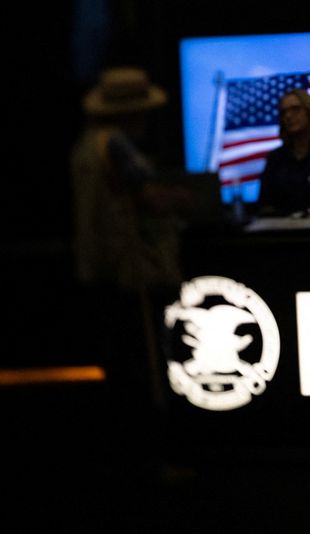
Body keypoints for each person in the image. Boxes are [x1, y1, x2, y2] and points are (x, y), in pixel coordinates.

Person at [71, 66, 189, 434]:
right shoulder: (116, 144)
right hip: (131, 269)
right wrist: (186, 199)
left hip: (100, 265)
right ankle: (152, 453)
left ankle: (126, 450)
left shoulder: (85, 146)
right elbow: (150, 198)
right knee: (144, 363)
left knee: (119, 360)